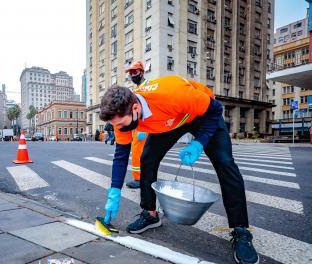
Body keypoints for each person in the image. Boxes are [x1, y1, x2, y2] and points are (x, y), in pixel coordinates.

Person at [99, 76, 259, 264]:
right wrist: (114, 190)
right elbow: (121, 156)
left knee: (226, 164)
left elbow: (215, 110)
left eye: (121, 125)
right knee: (147, 159)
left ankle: (241, 230)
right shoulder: (120, 116)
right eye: (116, 126)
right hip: (170, 120)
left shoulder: (173, 94)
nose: (119, 129)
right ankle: (149, 213)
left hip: (202, 115)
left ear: (135, 108)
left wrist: (200, 142)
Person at [125, 61, 148, 189]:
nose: (132, 75)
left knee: (138, 152)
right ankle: (143, 177)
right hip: (138, 127)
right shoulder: (137, 89)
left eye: (135, 72)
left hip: (143, 127)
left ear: (142, 72)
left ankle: (139, 178)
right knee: (138, 152)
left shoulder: (147, 86)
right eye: (130, 73)